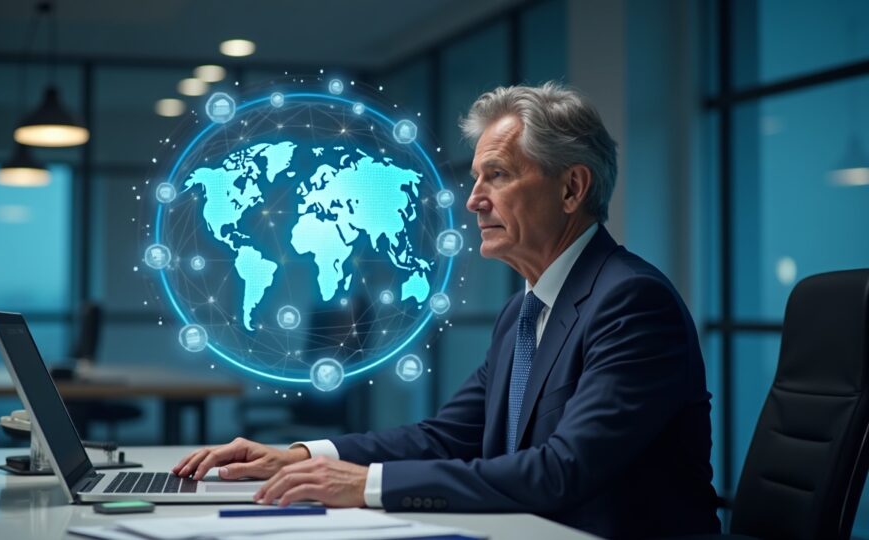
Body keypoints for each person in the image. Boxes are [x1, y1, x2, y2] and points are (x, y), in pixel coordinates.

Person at [173, 82, 721, 538]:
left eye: (499, 175)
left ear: (572, 187)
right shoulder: (524, 312)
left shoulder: (631, 302)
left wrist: (363, 485)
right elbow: (447, 435)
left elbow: (562, 471)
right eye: (477, 177)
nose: (473, 199)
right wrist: (303, 455)